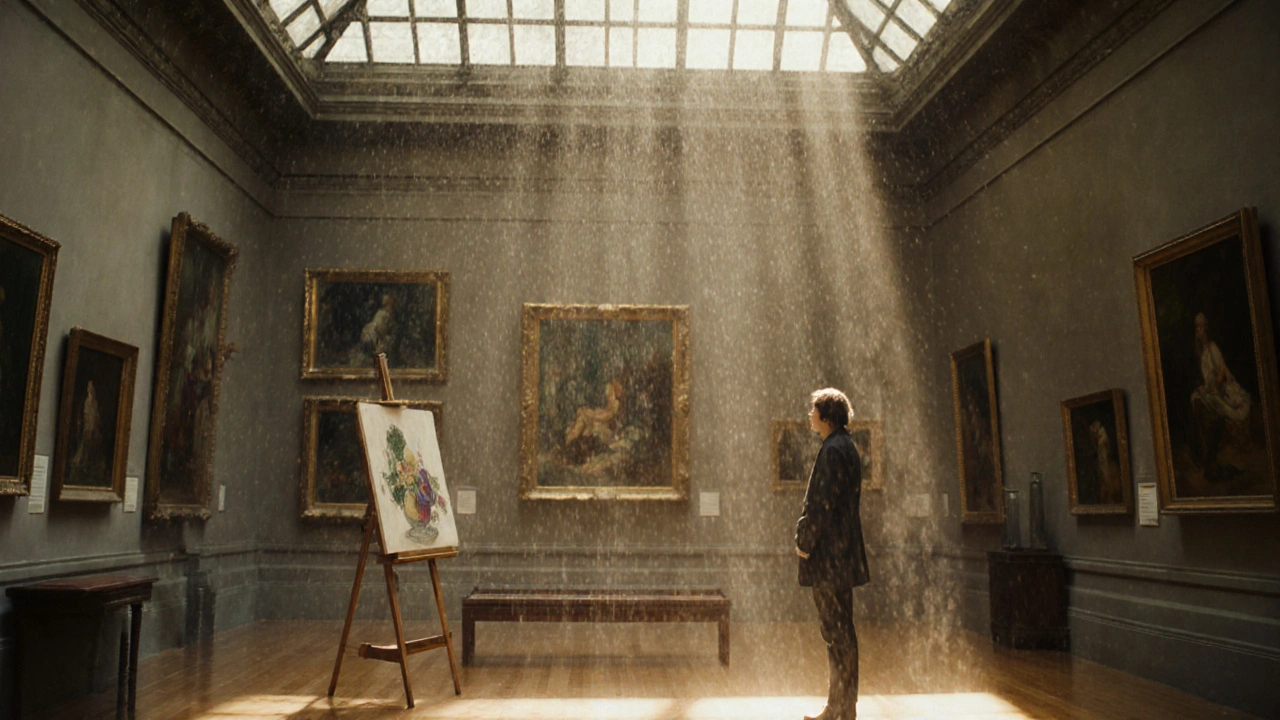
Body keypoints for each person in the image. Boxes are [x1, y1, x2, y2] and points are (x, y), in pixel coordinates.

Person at [796, 387, 870, 720]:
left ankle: (840, 709)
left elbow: (821, 505)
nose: (810, 416)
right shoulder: (847, 447)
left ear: (826, 416)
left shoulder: (832, 450)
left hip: (829, 557)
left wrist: (804, 541)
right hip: (844, 554)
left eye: (814, 411)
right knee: (843, 634)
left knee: (836, 634)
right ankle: (841, 707)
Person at [1189, 312, 1252, 482]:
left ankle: (1211, 460)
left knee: (1210, 409)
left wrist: (1214, 387)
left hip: (1221, 390)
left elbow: (1222, 371)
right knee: (1195, 400)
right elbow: (1207, 377)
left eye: (1201, 328)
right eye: (1196, 328)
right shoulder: (1201, 352)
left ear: (1206, 329)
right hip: (1211, 390)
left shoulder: (1212, 348)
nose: (1199, 331)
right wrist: (1204, 387)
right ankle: (1204, 458)